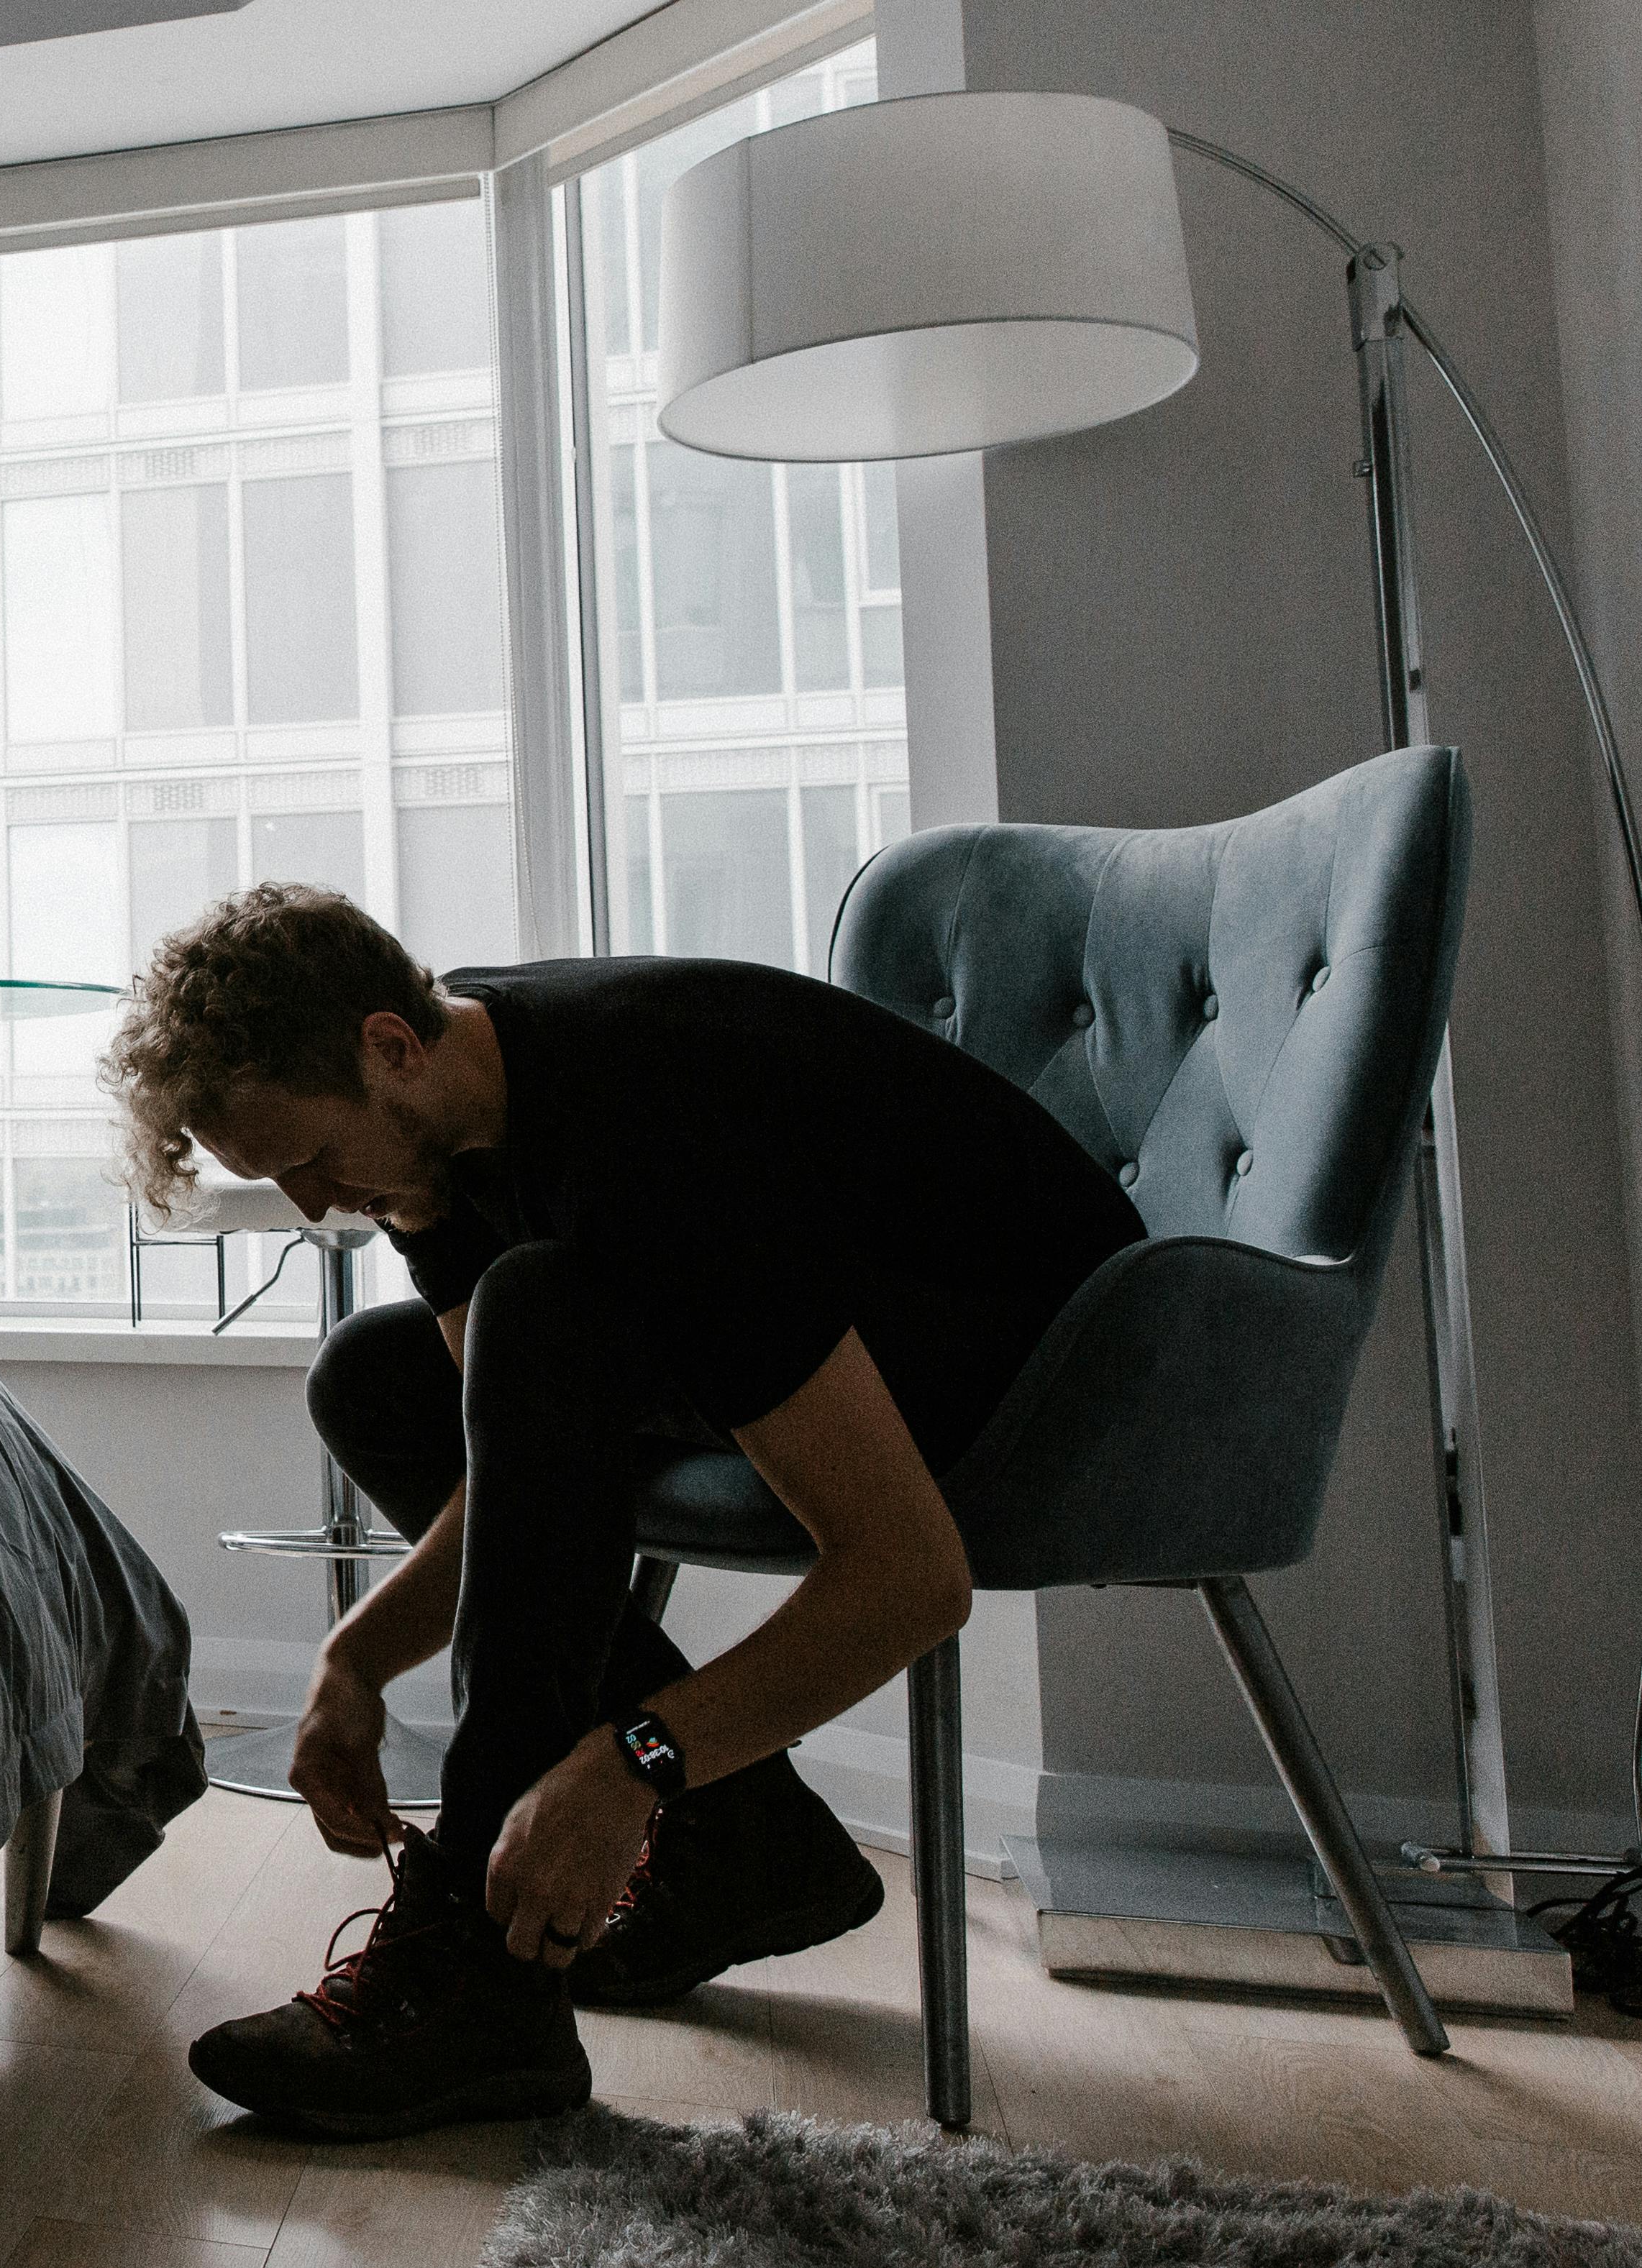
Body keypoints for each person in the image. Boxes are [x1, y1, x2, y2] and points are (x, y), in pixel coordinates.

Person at [103, 884, 1144, 2141]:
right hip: (808, 1303)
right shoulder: (437, 1146)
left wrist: (633, 1763)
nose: (317, 1207)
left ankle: (487, 1986)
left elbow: (911, 1577)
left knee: (541, 1309)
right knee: (376, 1379)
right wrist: (355, 1659)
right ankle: (748, 1837)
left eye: (314, 1159)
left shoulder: (645, 1132)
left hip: (1056, 1358)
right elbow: (506, 1463)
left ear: (389, 1047)